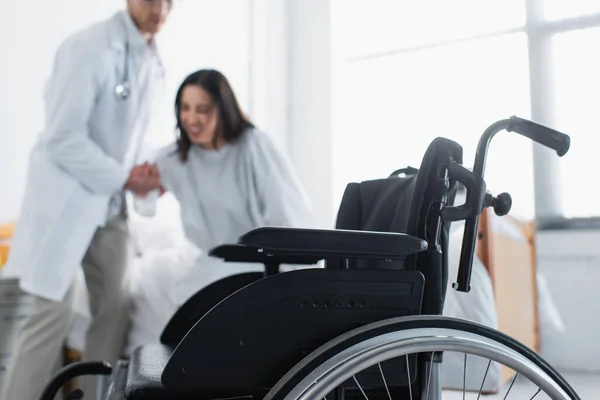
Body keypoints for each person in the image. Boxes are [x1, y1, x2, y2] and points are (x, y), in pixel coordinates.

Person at [2, 1, 173, 399]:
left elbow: (132, 135)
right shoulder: (91, 47)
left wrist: (149, 173)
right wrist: (124, 177)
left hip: (110, 207)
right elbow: (62, 137)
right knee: (51, 316)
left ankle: (97, 396)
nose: (161, 8)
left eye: (169, 1)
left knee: (115, 306)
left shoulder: (151, 58)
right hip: (67, 203)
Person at [134, 69, 317, 304]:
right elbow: (143, 200)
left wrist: (295, 276)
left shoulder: (254, 147)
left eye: (202, 110)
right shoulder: (177, 157)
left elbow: (289, 215)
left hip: (262, 263)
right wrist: (142, 186)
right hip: (214, 264)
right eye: (185, 108)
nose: (191, 119)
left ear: (223, 109)